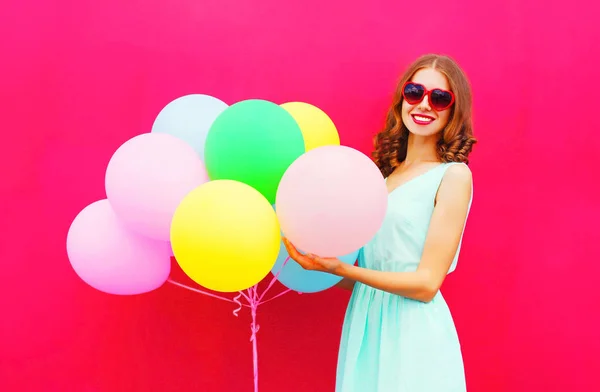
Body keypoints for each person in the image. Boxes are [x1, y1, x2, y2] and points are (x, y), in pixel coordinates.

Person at [283, 53, 476, 392]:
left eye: (440, 98)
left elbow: (426, 284)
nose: (424, 105)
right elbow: (372, 274)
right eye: (415, 92)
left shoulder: (454, 176)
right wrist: (319, 266)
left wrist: (343, 270)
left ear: (453, 111)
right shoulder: (382, 178)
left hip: (412, 333)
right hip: (366, 324)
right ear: (403, 98)